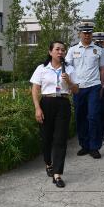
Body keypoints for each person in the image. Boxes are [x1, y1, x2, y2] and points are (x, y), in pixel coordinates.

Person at [30, 41, 79, 188]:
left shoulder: (69, 69)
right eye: (57, 49)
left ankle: (58, 174)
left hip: (63, 103)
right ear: (50, 52)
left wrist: (69, 82)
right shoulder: (42, 68)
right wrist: (37, 108)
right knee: (46, 138)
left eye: (63, 50)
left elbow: (76, 90)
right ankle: (48, 163)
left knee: (60, 139)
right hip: (46, 103)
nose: (60, 52)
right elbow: (35, 89)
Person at [65, 21, 104, 159]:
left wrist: (102, 85)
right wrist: (70, 86)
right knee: (80, 117)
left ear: (92, 34)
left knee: (93, 116)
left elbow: (102, 69)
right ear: (79, 34)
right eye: (85, 33)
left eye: (89, 33)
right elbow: (68, 68)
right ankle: (84, 145)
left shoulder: (99, 50)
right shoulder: (72, 50)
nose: (87, 35)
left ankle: (95, 147)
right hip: (78, 88)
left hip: (94, 86)